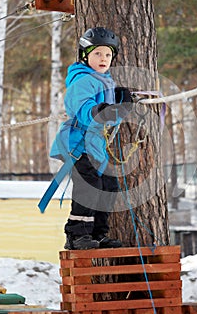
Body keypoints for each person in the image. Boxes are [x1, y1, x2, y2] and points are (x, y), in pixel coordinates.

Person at [50, 27, 133, 250]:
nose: (103, 59)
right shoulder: (82, 78)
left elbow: (108, 120)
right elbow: (81, 106)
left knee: (108, 185)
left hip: (96, 145)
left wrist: (121, 106)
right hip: (78, 142)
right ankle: (76, 235)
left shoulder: (106, 82)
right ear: (85, 55)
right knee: (89, 184)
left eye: (107, 54)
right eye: (97, 54)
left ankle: (97, 234)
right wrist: (99, 110)